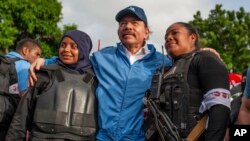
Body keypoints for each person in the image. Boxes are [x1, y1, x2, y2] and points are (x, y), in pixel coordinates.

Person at [28, 6, 222, 141]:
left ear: (146, 32)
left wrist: (203, 52)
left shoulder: (164, 62)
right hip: (101, 138)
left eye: (135, 23)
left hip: (140, 138)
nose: (128, 26)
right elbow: (75, 61)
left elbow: (188, 61)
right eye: (123, 23)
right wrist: (45, 60)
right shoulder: (102, 57)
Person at [6, 30, 98, 141]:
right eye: (63, 45)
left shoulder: (96, 80)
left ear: (83, 49)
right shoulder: (44, 74)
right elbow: (22, 116)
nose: (66, 50)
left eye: (73, 46)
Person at [145, 22, 230, 141]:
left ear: (192, 37)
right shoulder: (163, 71)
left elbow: (220, 107)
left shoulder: (206, 59)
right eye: (166, 37)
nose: (168, 38)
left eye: (175, 33)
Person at [0, 38, 41, 141]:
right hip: (6, 123)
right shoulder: (25, 66)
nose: (39, 58)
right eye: (37, 54)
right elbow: (25, 97)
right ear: (26, 51)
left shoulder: (4, 60)